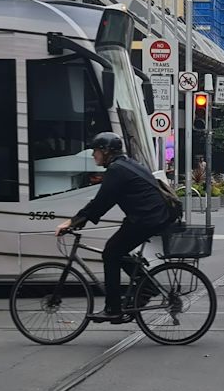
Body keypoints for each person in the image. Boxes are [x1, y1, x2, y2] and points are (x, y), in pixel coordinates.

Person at [55, 131, 178, 322]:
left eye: (96, 150)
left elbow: (101, 203)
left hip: (148, 218)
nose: (93, 155)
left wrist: (73, 222)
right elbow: (102, 203)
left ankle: (113, 308)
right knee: (117, 251)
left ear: (106, 151)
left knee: (111, 253)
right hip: (151, 216)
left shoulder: (117, 170)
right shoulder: (126, 164)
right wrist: (80, 219)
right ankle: (147, 287)